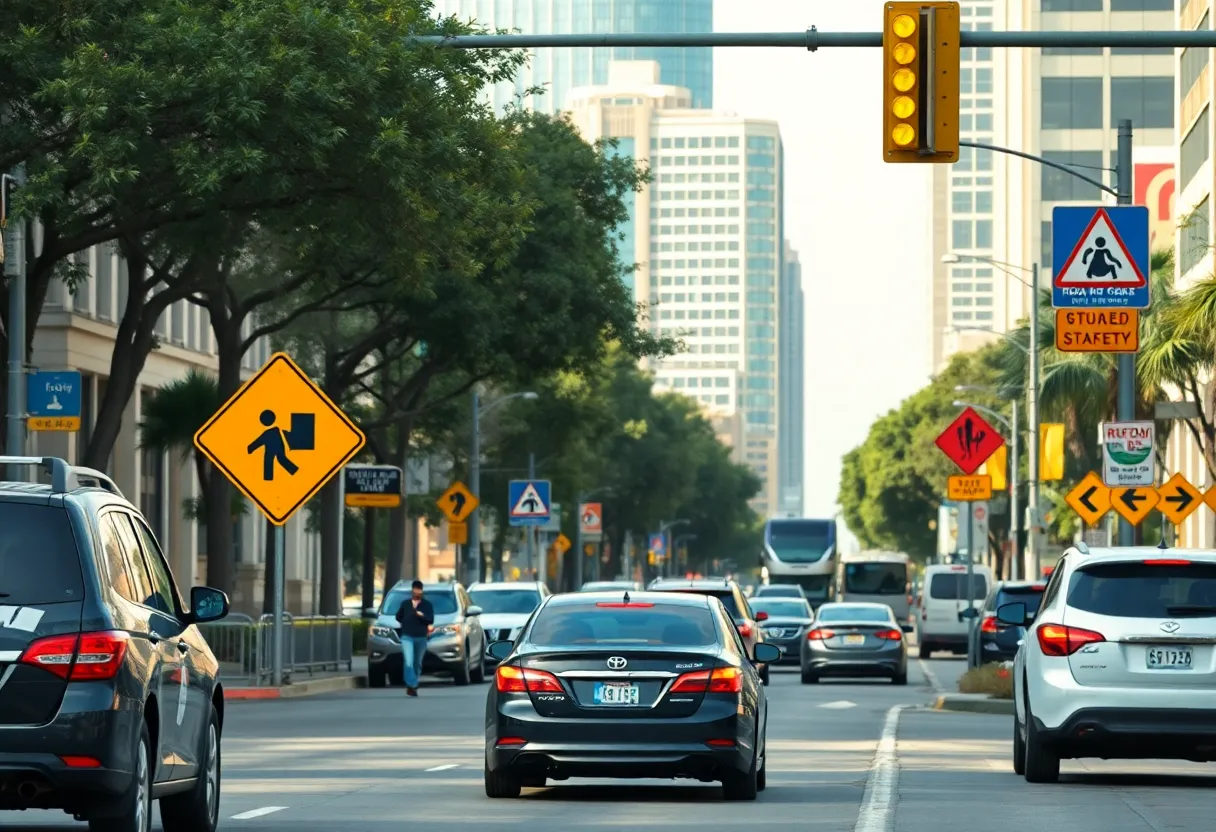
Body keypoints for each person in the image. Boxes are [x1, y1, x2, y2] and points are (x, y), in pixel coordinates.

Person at [394, 580, 434, 697]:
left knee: (417, 663)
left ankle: (413, 682)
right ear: (412, 590)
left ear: (421, 591)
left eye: (419, 589)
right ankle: (412, 685)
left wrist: (422, 616)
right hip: (407, 636)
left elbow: (430, 619)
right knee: (408, 661)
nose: (417, 592)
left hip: (421, 637)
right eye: (415, 589)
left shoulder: (426, 605)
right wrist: (405, 623)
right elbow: (398, 616)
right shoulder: (406, 604)